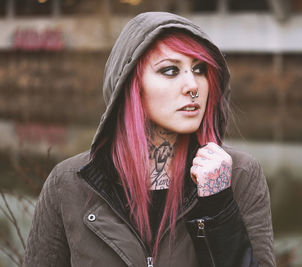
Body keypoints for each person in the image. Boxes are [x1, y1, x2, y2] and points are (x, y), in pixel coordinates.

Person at [23, 12, 275, 267]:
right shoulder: (68, 183)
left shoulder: (239, 175)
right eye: (170, 70)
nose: (193, 85)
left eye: (199, 69)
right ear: (130, 84)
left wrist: (218, 206)